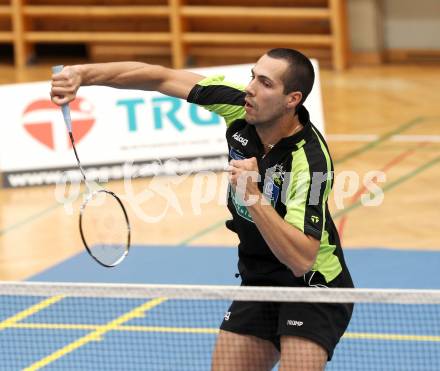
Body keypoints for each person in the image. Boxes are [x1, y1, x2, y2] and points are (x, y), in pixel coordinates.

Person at [51, 48, 353, 371]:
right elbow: (160, 77)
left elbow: (300, 259)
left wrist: (252, 196)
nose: (251, 87)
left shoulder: (312, 163)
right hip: (260, 280)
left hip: (313, 288)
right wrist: (84, 74)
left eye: (265, 83)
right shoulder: (239, 105)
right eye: (253, 76)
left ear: (292, 99)